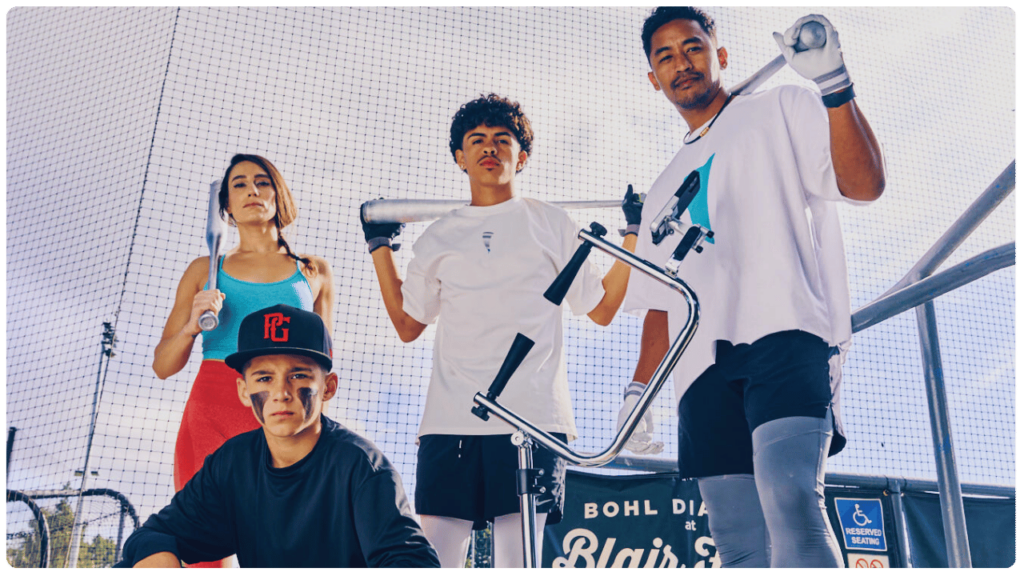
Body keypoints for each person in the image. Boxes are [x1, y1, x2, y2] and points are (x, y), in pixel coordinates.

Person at [620, 7, 886, 569]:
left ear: (719, 55)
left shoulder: (781, 106)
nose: (680, 63)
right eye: (664, 56)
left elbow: (864, 185)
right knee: (737, 539)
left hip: (783, 332)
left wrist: (833, 86)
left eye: (692, 48)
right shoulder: (663, 186)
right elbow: (663, 303)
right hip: (699, 368)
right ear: (652, 77)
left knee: (792, 503)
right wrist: (636, 395)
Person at [362, 94, 643, 569]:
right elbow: (408, 325)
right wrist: (379, 247)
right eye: (477, 140)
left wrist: (632, 231)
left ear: (522, 156)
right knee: (435, 562)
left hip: (531, 421)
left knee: (519, 562)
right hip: (450, 421)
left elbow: (600, 308)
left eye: (502, 140)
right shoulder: (438, 236)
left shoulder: (551, 223)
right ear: (460, 157)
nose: (489, 148)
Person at [119, 305, 440, 569]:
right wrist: (157, 553)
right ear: (244, 391)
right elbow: (157, 534)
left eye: (298, 374)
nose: (281, 393)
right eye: (264, 377)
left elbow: (410, 560)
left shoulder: (359, 466)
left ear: (328, 386)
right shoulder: (233, 462)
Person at [152, 154, 335, 569]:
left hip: (285, 407)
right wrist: (190, 328)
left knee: (288, 543)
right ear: (227, 206)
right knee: (206, 549)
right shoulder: (205, 269)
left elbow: (324, 364)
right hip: (212, 406)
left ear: (278, 194)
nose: (252, 190)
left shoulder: (314, 271)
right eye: (239, 184)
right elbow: (163, 365)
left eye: (262, 181)